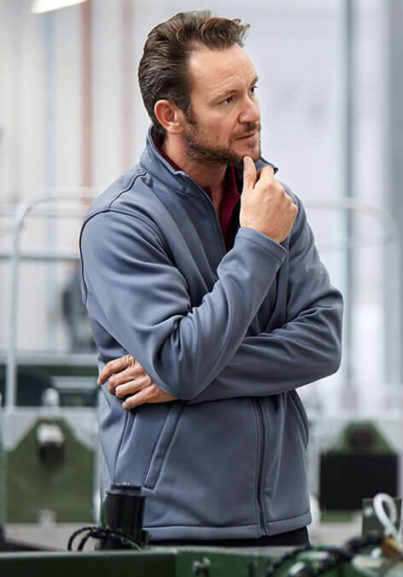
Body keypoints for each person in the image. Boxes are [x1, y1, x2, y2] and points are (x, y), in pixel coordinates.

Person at [79, 11, 343, 546]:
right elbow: (181, 358)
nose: (251, 113)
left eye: (251, 90)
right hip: (170, 523)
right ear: (171, 115)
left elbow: (322, 344)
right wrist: (258, 245)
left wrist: (177, 381)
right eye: (227, 101)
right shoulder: (121, 224)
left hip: (283, 517)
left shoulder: (270, 199)